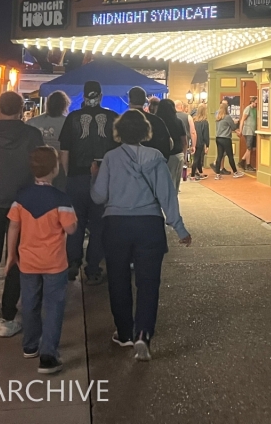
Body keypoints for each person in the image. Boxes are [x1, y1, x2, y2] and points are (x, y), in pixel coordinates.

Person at [91, 110, 191, 361]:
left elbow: (99, 197)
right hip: (149, 225)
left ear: (119, 131)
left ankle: (124, 332)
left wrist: (94, 176)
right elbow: (167, 195)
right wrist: (179, 228)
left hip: (116, 225)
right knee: (148, 282)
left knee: (118, 279)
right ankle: (143, 334)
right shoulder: (155, 156)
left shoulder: (111, 158)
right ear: (145, 132)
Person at [0, 91, 45, 337]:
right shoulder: (32, 135)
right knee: (15, 256)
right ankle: (9, 316)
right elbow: (40, 165)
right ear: (22, 108)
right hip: (23, 202)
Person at [5, 146, 78, 375]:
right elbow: (71, 229)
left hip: (28, 261)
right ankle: (48, 354)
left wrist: (10, 257)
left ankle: (30, 345)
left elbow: (13, 227)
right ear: (55, 169)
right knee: (54, 305)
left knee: (29, 302)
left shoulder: (21, 197)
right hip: (55, 262)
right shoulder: (61, 198)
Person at [58, 80, 119, 284]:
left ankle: (73, 262)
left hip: (76, 177)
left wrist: (67, 176)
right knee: (99, 225)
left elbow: (64, 152)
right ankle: (93, 268)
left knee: (76, 222)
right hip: (104, 178)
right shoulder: (112, 118)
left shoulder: (72, 118)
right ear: (100, 96)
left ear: (83, 96)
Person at [128, 87, 172, 157]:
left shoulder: (123, 121)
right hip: (152, 162)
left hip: (128, 163)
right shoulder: (157, 121)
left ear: (129, 101)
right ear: (144, 101)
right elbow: (167, 143)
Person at [155, 99, 187, 191]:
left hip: (159, 155)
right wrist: (184, 156)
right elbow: (184, 141)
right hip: (176, 155)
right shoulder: (178, 122)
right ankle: (172, 203)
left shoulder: (156, 122)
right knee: (174, 185)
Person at [212, 100, 241, 179]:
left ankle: (217, 174)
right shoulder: (227, 117)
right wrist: (236, 122)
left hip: (218, 138)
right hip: (226, 138)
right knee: (230, 156)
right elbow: (233, 127)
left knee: (219, 156)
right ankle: (235, 172)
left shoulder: (218, 116)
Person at [238, 95, 258, 172]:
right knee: (249, 148)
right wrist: (240, 130)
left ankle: (242, 161)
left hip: (253, 131)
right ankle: (248, 164)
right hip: (248, 131)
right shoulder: (248, 109)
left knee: (253, 148)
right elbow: (242, 120)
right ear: (252, 102)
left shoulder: (255, 109)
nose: (256, 105)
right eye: (256, 103)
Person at [190, 104, 210, 180]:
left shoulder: (194, 120)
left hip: (193, 141)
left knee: (196, 158)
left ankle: (200, 172)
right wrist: (207, 145)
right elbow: (206, 135)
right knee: (197, 159)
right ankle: (192, 175)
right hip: (200, 141)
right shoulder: (205, 122)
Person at [175, 102, 194, 179]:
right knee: (185, 158)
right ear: (181, 107)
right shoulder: (188, 116)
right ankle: (184, 175)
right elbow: (193, 131)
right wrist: (194, 145)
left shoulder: (172, 116)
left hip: (175, 142)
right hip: (186, 141)